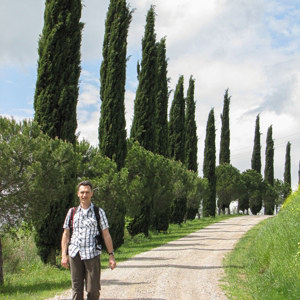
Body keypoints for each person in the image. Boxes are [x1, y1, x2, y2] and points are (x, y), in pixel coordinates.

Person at [61, 180, 116, 300]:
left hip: (92, 254)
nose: (84, 195)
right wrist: (64, 255)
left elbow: (106, 234)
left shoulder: (98, 212)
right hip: (75, 254)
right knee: (76, 289)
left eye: (87, 192)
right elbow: (66, 234)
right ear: (78, 194)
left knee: (93, 290)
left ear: (91, 194)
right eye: (82, 192)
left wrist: (111, 255)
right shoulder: (72, 212)